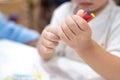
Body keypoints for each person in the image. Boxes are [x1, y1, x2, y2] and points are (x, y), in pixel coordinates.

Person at [37, 0, 120, 79]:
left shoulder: (117, 18)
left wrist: (86, 48)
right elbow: (47, 55)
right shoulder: (63, 11)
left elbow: (117, 73)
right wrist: (44, 46)